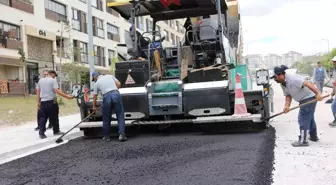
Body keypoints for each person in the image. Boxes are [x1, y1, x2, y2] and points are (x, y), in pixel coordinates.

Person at [271, 65, 323, 147]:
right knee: (309, 117)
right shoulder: (282, 83)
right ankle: (313, 136)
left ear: (281, 75)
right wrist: (286, 106)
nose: (274, 79)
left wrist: (318, 93)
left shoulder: (293, 79)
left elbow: (307, 83)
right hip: (304, 99)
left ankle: (303, 140)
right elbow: (288, 95)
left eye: (275, 77)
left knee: (303, 118)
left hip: (309, 98)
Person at [36, 71, 73, 139]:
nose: (54, 77)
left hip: (43, 102)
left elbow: (38, 91)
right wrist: (67, 96)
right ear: (52, 74)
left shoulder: (40, 80)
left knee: (42, 118)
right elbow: (56, 90)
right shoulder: (53, 80)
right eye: (54, 76)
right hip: (51, 102)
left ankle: (41, 133)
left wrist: (38, 102)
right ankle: (56, 131)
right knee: (54, 117)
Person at [91, 71, 127, 142]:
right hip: (116, 94)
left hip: (106, 96)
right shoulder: (109, 76)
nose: (94, 80)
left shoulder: (96, 83)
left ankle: (106, 136)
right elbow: (119, 84)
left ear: (95, 77)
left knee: (106, 117)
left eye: (94, 79)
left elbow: (94, 96)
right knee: (120, 115)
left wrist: (94, 107)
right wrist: (113, 91)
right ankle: (122, 135)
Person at [329, 56, 336, 126]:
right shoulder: (334, 70)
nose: (334, 63)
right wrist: (333, 91)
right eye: (333, 62)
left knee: (333, 106)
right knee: (334, 106)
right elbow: (335, 82)